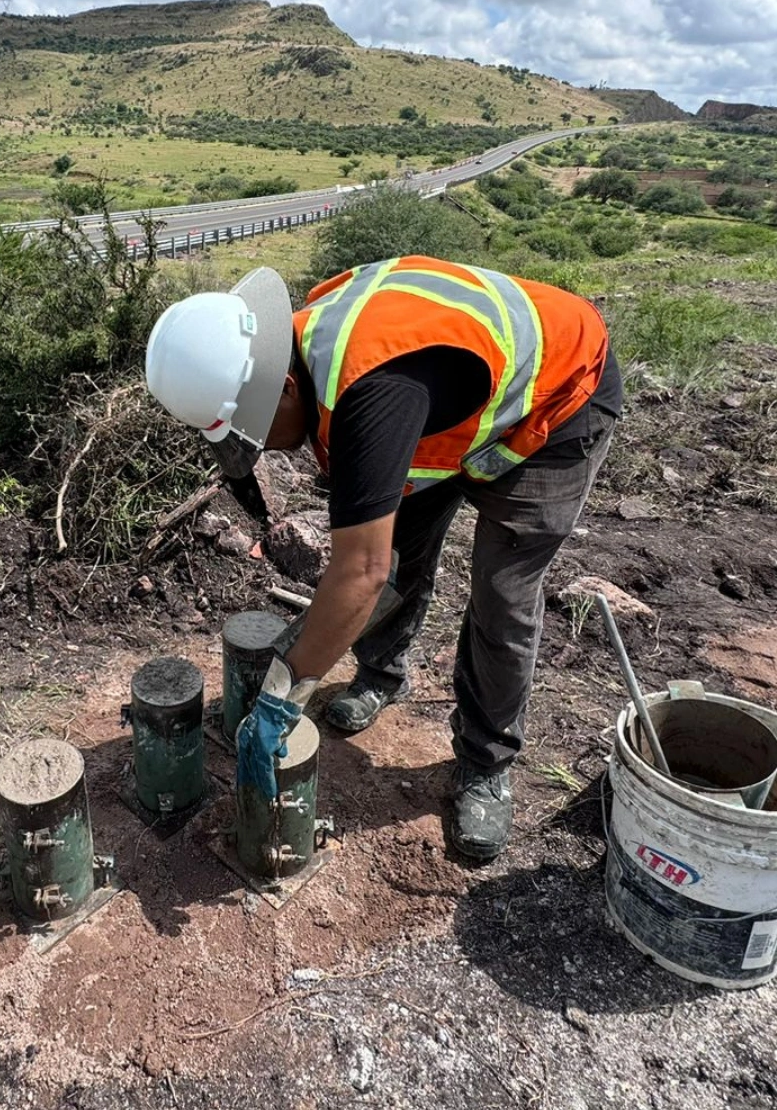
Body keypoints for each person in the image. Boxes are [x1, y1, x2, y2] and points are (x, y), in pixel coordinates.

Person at [145, 257, 621, 859]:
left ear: (285, 386)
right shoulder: (302, 347)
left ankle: (485, 763)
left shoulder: (369, 395)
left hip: (554, 402)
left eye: (258, 432)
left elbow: (360, 574)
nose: (262, 448)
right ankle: (381, 674)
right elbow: (377, 559)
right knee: (398, 550)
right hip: (446, 407)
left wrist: (278, 699)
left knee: (501, 593)